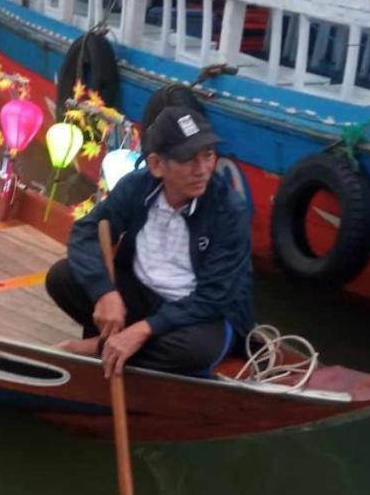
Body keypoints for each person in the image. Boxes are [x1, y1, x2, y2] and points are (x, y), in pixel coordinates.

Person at [45, 106, 253, 379]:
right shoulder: (136, 187)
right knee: (62, 277)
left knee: (196, 352)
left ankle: (99, 346)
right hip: (142, 293)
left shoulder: (229, 210)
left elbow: (214, 296)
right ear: (156, 165)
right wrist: (104, 292)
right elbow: (86, 231)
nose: (202, 170)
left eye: (208, 156)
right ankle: (125, 344)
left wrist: (143, 330)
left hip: (197, 311)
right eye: (189, 160)